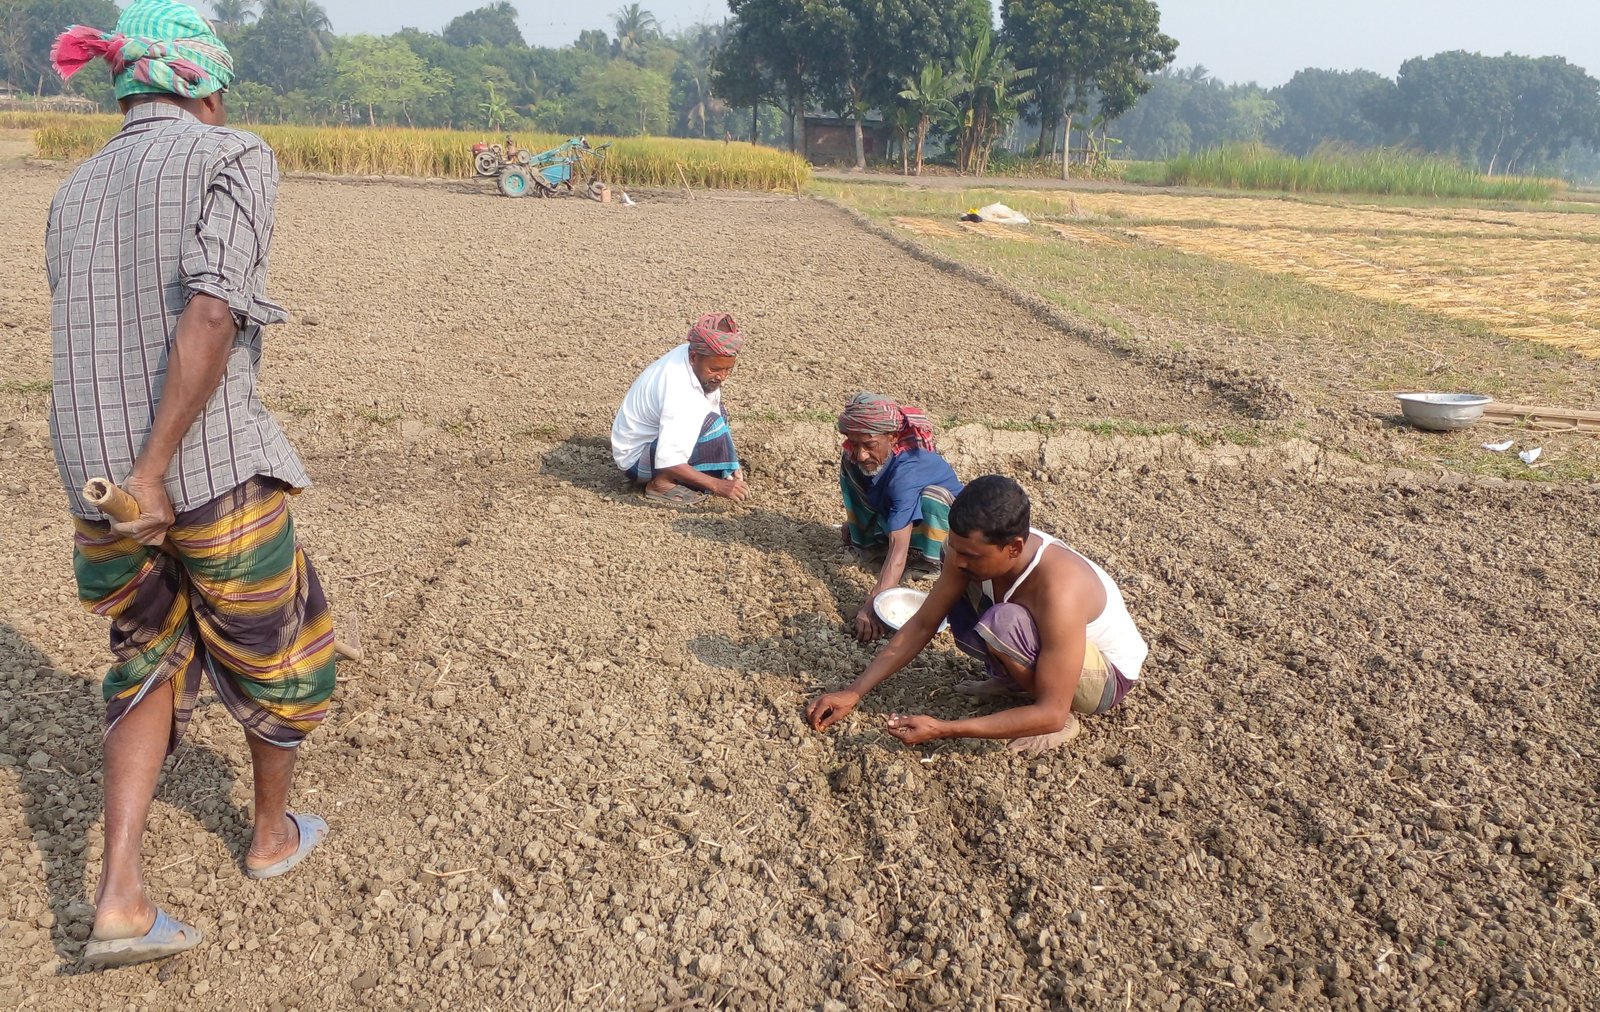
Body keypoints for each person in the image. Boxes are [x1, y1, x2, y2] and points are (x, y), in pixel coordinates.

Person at [46, 0, 334, 967]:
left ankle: (120, 895)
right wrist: (156, 469)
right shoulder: (232, 155)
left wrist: (124, 481)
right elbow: (213, 310)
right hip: (198, 472)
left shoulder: (74, 188)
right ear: (201, 85)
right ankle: (268, 837)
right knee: (281, 651)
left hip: (97, 497)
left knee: (144, 656)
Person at [807, 475, 1148, 756]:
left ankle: (1054, 715)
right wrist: (854, 691)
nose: (959, 560)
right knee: (970, 589)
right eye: (957, 546)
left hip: (1105, 678)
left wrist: (945, 729)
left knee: (1005, 623)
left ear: (1013, 547)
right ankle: (1015, 683)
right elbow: (925, 622)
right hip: (1049, 647)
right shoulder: (967, 554)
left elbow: (1051, 711)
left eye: (970, 553)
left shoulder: (1060, 589)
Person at [835, 393, 963, 642]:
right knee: (850, 466)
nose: (861, 453)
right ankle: (868, 541)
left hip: (945, 524)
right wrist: (856, 525)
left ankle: (930, 562)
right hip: (897, 509)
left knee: (933, 497)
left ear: (892, 438)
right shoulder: (858, 457)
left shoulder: (907, 472)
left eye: (870, 445)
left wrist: (874, 603)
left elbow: (897, 551)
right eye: (854, 442)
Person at [612, 313, 749, 507]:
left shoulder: (690, 356)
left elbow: (712, 408)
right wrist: (718, 485)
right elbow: (668, 459)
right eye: (716, 369)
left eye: (728, 370)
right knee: (710, 427)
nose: (722, 377)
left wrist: (730, 463)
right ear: (694, 357)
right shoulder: (680, 390)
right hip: (637, 461)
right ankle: (661, 483)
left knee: (718, 419)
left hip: (648, 444)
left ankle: (686, 475)